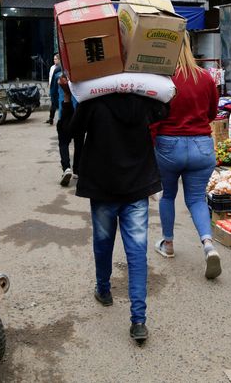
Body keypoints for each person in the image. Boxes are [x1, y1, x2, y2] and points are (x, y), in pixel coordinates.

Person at [70, 92, 169, 344]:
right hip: (137, 184)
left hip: (102, 185)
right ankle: (138, 321)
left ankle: (103, 290)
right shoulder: (144, 95)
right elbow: (165, 110)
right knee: (137, 253)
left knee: (103, 244)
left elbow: (72, 129)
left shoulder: (93, 97)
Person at [150, 35, 221, 279]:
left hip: (169, 145)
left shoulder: (162, 79)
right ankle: (208, 244)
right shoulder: (205, 77)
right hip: (202, 146)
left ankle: (168, 244)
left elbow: (154, 119)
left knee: (167, 195)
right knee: (197, 199)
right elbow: (213, 112)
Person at [55, 71, 81, 187]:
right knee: (79, 142)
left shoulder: (59, 76)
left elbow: (53, 92)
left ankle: (66, 168)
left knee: (63, 142)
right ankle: (77, 170)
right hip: (80, 112)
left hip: (65, 111)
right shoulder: (82, 75)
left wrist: (55, 106)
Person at [47, 53, 61, 125]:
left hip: (59, 88)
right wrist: (49, 84)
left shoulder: (61, 68)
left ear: (59, 60)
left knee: (57, 103)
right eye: (54, 59)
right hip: (53, 87)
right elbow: (50, 77)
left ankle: (58, 118)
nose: (54, 60)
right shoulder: (52, 67)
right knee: (53, 102)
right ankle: (51, 118)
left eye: (55, 59)